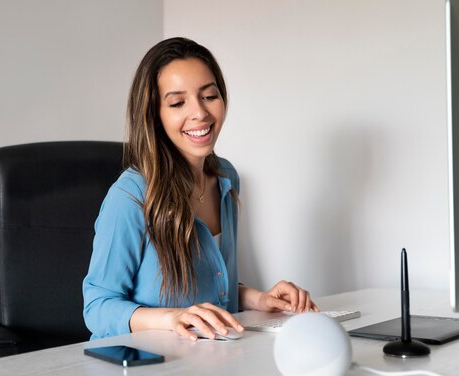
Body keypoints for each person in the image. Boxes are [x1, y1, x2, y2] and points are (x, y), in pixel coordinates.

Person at [82, 37, 318, 340]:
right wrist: (173, 318)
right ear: (154, 115)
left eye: (209, 96)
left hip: (209, 359)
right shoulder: (130, 196)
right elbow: (97, 307)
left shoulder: (226, 178)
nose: (200, 113)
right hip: (142, 368)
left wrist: (259, 298)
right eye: (178, 103)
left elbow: (210, 287)